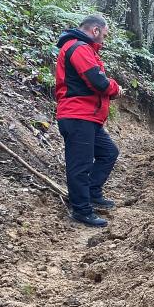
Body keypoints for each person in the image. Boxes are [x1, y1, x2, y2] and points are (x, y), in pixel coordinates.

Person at [55, 14, 121, 228]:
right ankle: (81, 210)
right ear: (95, 30)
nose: (104, 38)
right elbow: (97, 81)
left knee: (109, 152)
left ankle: (92, 192)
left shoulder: (84, 49)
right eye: (104, 34)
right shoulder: (79, 48)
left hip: (87, 117)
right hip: (77, 115)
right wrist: (116, 88)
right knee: (80, 165)